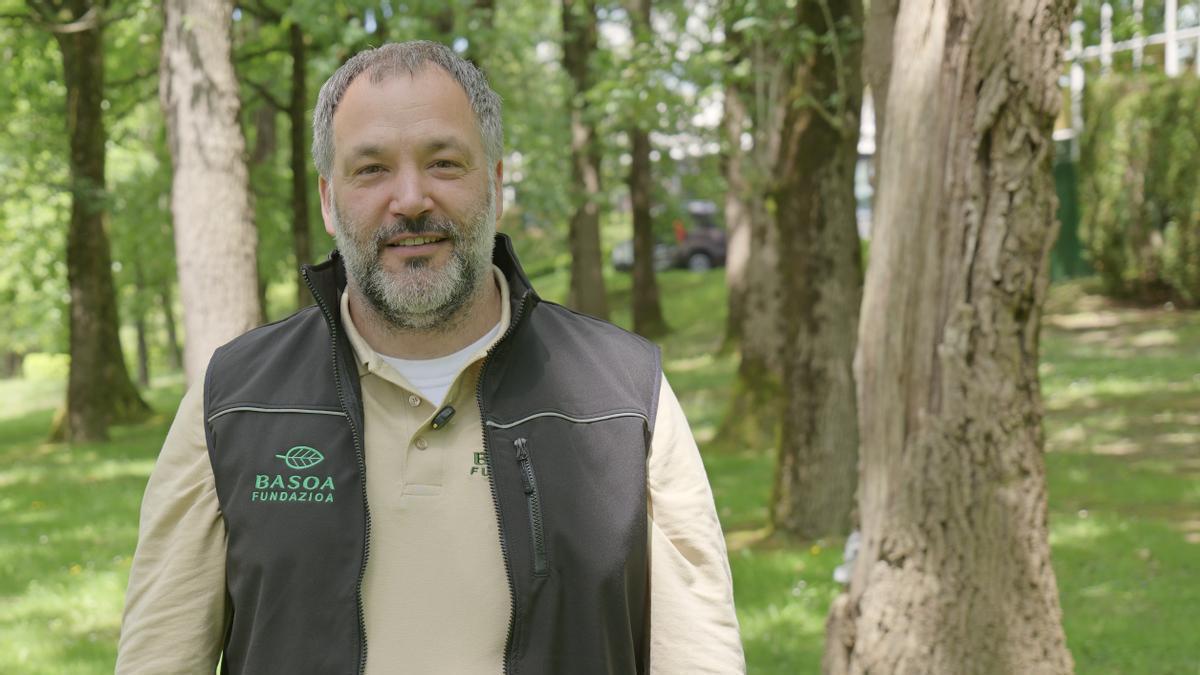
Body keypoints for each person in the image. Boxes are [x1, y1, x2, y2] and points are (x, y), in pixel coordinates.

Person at [116, 41, 743, 674]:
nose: (411, 198)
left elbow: (699, 658)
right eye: (372, 169)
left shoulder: (626, 396)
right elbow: (158, 658)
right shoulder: (232, 401)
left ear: (494, 184)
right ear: (330, 201)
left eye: (444, 163)